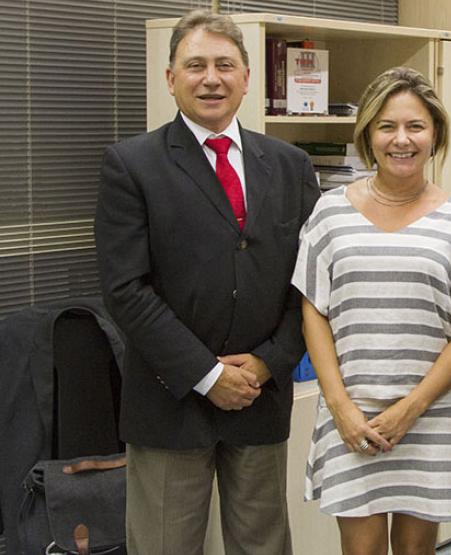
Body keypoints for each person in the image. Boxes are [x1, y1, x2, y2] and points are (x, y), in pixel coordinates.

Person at [94, 9, 319, 554]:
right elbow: (125, 288)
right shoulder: (132, 165)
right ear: (170, 79)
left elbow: (311, 282)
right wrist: (205, 374)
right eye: (195, 65)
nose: (211, 78)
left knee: (263, 544)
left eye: (224, 64)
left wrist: (270, 361)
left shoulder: (289, 165)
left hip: (260, 395)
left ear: (247, 78)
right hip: (170, 400)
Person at [291, 66, 451, 555]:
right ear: (368, 136)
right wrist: (339, 407)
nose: (402, 140)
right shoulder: (328, 212)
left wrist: (410, 409)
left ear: (435, 134)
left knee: (417, 552)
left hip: (430, 415)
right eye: (387, 126)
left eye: (415, 127)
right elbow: (313, 311)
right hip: (350, 412)